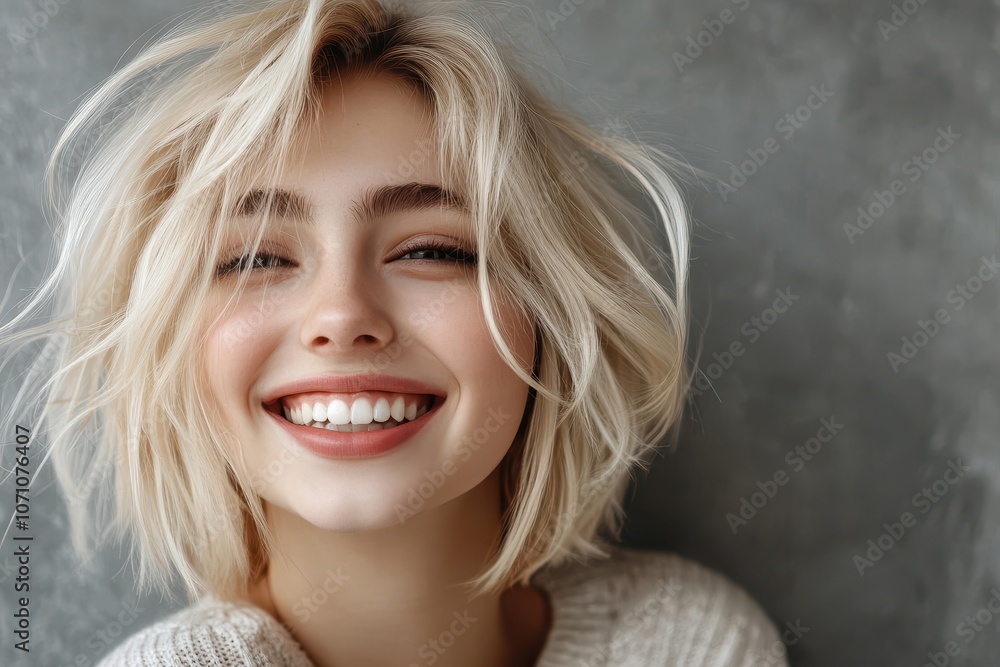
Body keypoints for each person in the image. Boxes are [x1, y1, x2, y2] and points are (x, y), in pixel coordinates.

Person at [0, 0, 789, 665]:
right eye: (256, 257)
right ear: (175, 345)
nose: (342, 317)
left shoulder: (690, 642)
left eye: (432, 250)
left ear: (550, 311)